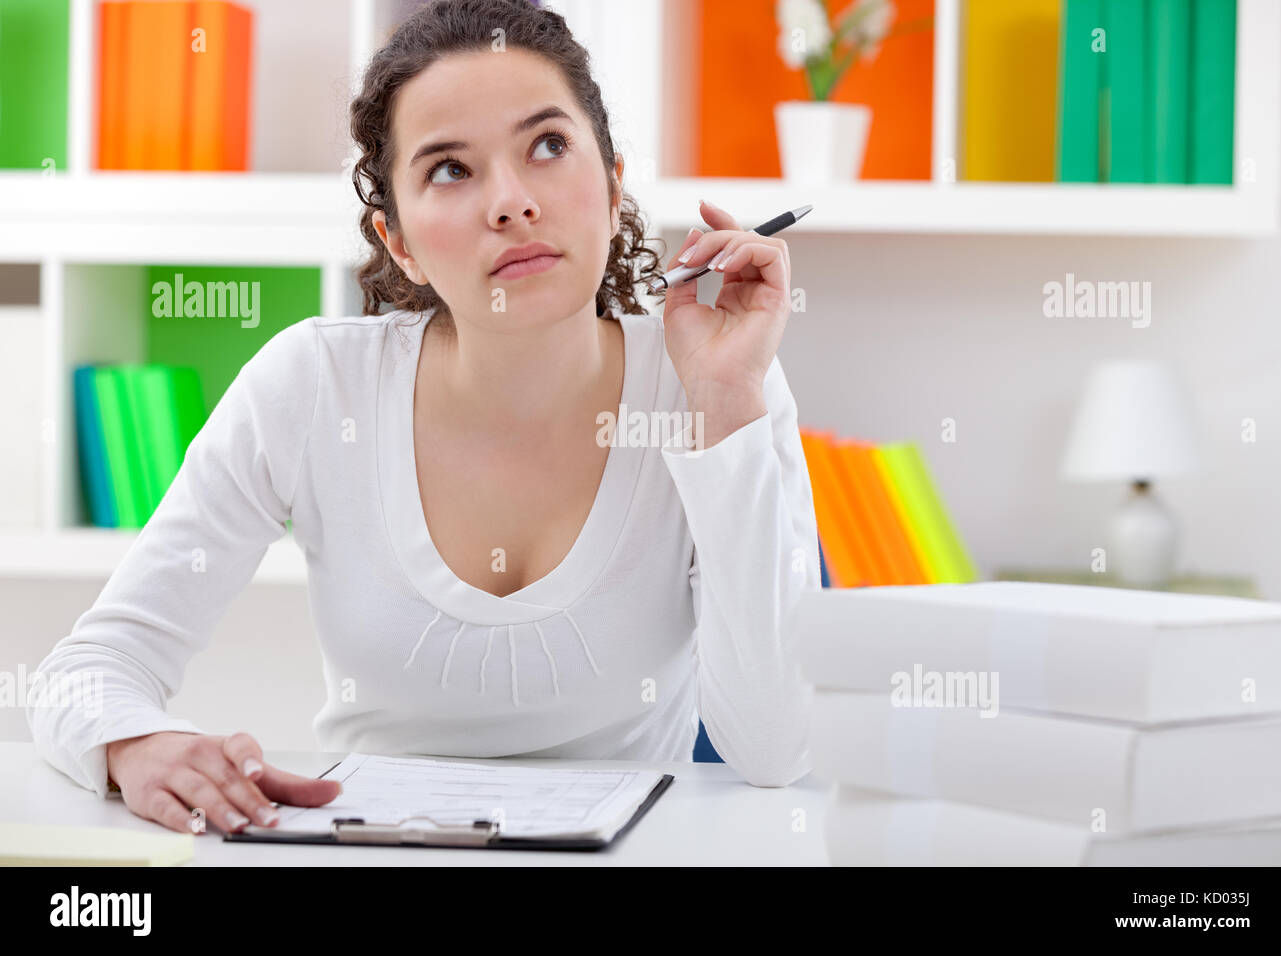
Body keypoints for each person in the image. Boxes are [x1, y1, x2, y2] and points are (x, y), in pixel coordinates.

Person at [28, 0, 819, 836]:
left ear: (614, 184)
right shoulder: (316, 386)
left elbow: (776, 746)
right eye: (450, 169)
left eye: (548, 146)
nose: (511, 202)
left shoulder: (715, 383)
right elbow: (89, 668)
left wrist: (726, 406)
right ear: (398, 241)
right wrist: (136, 743)